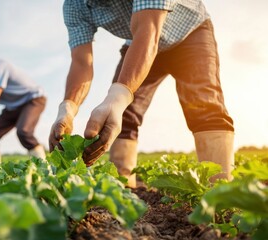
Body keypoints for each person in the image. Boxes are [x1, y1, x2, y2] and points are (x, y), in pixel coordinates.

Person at [49, 0, 235, 187]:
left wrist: (119, 96)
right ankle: (122, 185)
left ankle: (219, 192)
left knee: (204, 105)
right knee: (124, 114)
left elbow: (149, 30)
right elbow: (82, 63)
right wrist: (68, 109)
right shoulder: (74, 5)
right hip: (139, 41)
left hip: (189, 33)